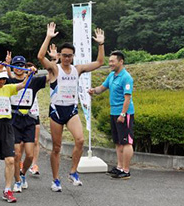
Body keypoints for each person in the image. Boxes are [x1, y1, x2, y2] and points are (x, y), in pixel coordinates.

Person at [37, 22, 105, 192]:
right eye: (64, 55)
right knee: (57, 147)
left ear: (73, 56)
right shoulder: (54, 68)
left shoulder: (78, 69)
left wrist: (101, 44)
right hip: (57, 111)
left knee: (80, 140)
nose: (67, 58)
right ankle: (55, 179)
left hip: (71, 110)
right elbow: (40, 57)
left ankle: (73, 172)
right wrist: (48, 37)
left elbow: (99, 62)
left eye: (70, 56)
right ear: (60, 55)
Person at [0, 54, 33, 203]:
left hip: (7, 126)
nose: (2, 81)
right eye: (0, 78)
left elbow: (23, 85)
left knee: (10, 159)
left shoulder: (8, 88)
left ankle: (8, 189)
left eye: (4, 78)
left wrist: (30, 73)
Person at [88, 51, 134, 179]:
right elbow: (102, 88)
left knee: (126, 142)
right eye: (109, 61)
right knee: (118, 142)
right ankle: (119, 167)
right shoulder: (112, 75)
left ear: (121, 61)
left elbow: (127, 99)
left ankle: (126, 170)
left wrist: (123, 114)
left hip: (124, 114)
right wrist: (93, 90)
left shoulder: (126, 77)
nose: (110, 64)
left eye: (113, 61)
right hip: (114, 113)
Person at [7, 57, 49, 193]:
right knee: (17, 154)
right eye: (16, 65)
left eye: (21, 65)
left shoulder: (34, 81)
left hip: (29, 120)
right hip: (14, 120)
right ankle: (17, 181)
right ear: (12, 67)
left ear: (25, 66)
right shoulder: (9, 81)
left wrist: (53, 60)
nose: (19, 67)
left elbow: (53, 75)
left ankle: (23, 173)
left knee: (30, 155)